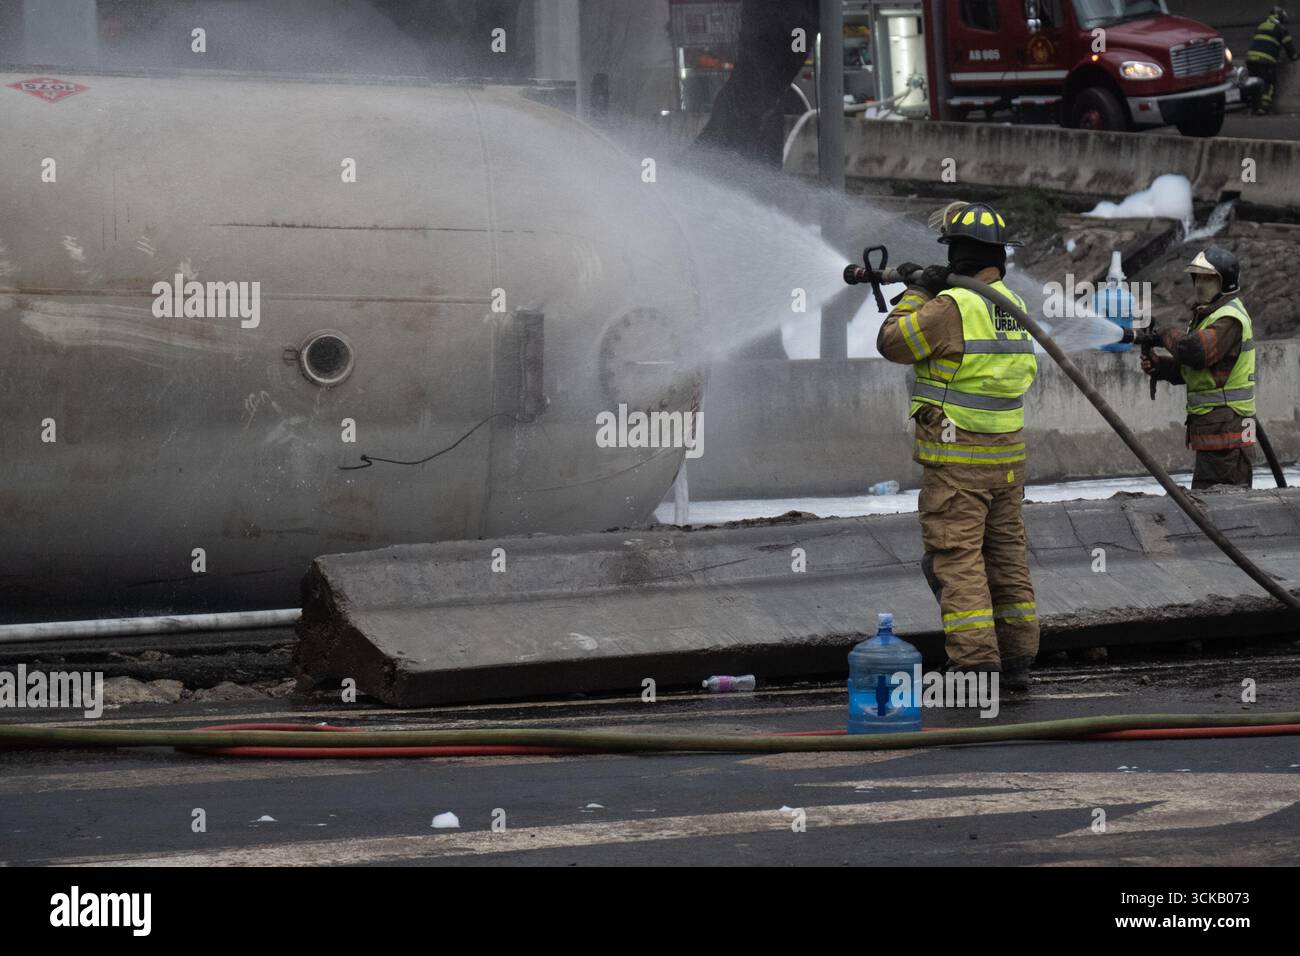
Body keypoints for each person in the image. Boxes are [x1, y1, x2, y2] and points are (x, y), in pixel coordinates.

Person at [877, 202, 1039, 692]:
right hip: (1006, 461)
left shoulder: (952, 308)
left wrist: (917, 292)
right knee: (1006, 557)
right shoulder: (1012, 305)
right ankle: (1015, 659)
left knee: (957, 557)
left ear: (960, 254)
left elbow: (892, 342)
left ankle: (973, 665)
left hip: (958, 461)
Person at [1142, 246, 1256, 488]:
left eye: (1208, 278)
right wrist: (1160, 367)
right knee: (1210, 508)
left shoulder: (1229, 318)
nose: (1199, 284)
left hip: (1228, 439)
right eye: (1197, 277)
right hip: (1216, 436)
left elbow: (1195, 353)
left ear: (1225, 282)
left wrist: (1163, 335)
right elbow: (1201, 373)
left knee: (1223, 514)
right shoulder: (1208, 316)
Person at [1247, 5, 1299, 115]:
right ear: (1280, 17)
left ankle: (1252, 107)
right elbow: (1290, 50)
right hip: (1265, 61)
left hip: (1251, 60)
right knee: (1268, 85)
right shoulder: (1280, 29)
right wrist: (1295, 56)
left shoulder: (1261, 26)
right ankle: (1263, 109)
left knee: (1254, 84)